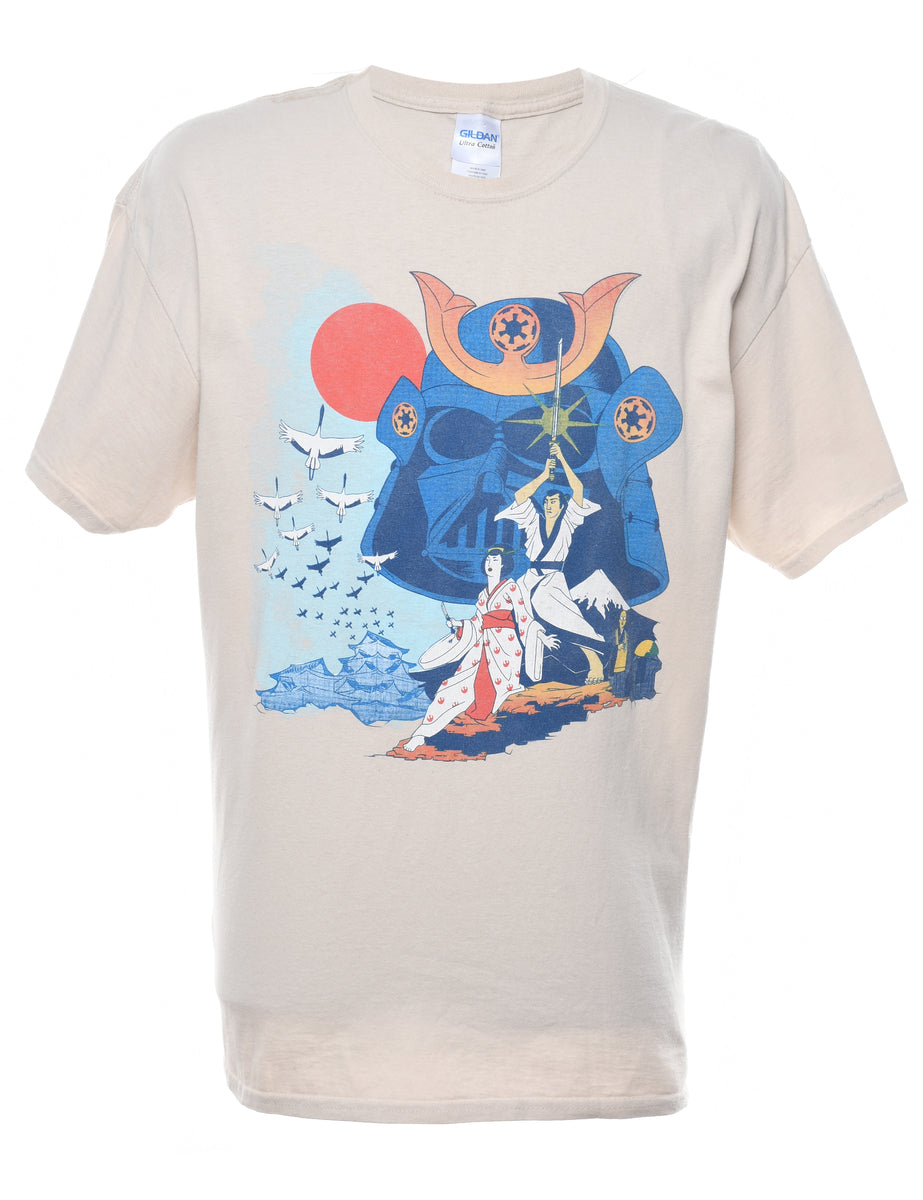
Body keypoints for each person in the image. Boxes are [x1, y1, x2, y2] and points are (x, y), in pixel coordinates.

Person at [403, 547, 558, 753]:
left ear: (504, 565)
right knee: (450, 687)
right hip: (482, 647)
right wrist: (459, 625)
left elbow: (524, 618)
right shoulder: (483, 596)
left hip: (504, 648)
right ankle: (421, 734)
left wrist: (541, 636)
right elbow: (477, 624)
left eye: (495, 560)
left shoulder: (511, 587)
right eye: (488, 560)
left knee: (494, 692)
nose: (490, 564)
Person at [495, 440, 607, 683]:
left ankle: (595, 664)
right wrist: (545, 474)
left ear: (562, 505)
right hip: (530, 577)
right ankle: (511, 667)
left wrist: (563, 460)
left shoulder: (568, 521)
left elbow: (578, 489)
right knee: (510, 611)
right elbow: (520, 495)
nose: (548, 505)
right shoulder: (533, 521)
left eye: (553, 502)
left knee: (567, 617)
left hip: (553, 579)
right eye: (546, 502)